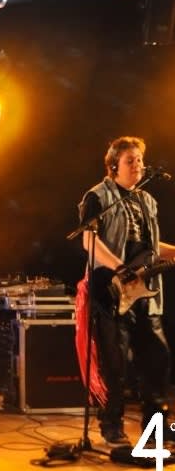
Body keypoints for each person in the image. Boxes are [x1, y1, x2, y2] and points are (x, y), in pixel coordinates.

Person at [77, 136, 175, 446]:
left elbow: (150, 247)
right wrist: (119, 268)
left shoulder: (146, 201)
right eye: (130, 160)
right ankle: (111, 426)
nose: (138, 165)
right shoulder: (98, 196)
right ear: (113, 166)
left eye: (140, 160)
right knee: (114, 362)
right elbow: (89, 240)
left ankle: (155, 429)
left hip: (145, 293)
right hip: (111, 290)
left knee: (157, 359)